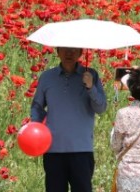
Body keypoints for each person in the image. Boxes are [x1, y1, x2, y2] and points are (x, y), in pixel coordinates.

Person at [30, 47, 107, 192]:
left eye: (73, 50)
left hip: (81, 150)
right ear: (58, 51)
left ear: (81, 53)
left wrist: (91, 88)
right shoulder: (47, 77)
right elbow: (37, 107)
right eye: (65, 49)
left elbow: (101, 108)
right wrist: (35, 129)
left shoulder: (91, 75)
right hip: (53, 150)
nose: (69, 53)